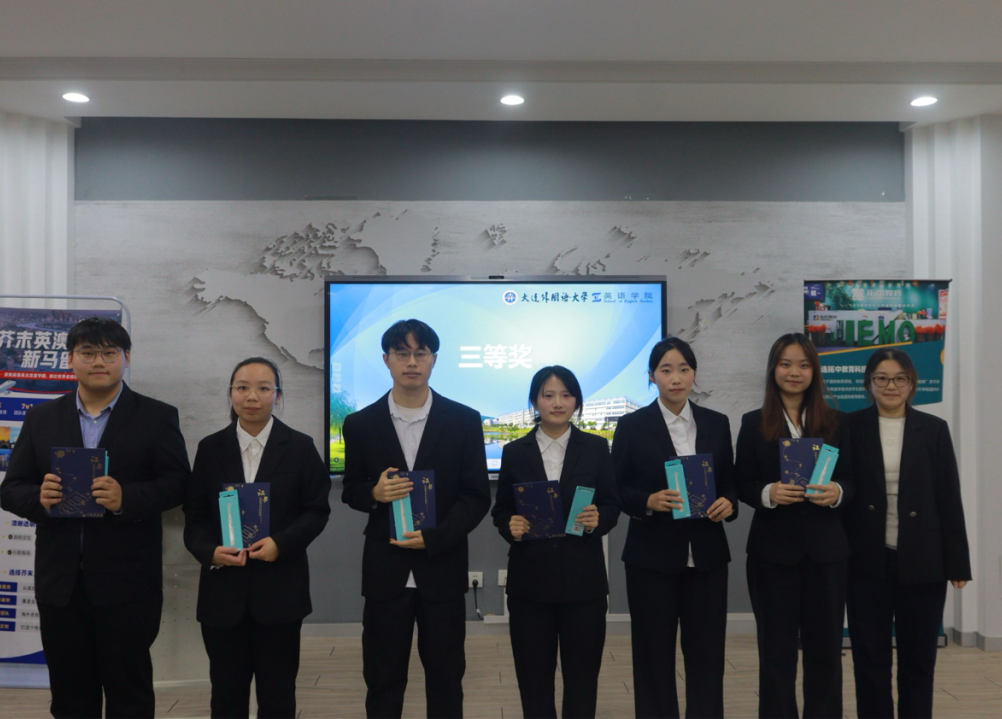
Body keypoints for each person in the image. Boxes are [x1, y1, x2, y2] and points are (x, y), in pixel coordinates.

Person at [0, 316, 191, 719]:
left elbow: (178, 484)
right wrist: (39, 498)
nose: (98, 361)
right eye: (87, 352)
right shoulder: (41, 418)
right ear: (70, 359)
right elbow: (11, 487)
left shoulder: (157, 416)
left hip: (128, 584)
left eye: (109, 352)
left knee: (130, 695)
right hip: (61, 585)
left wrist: (126, 498)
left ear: (126, 358)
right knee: (70, 696)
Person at [341, 319, 491, 719]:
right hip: (385, 572)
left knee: (446, 678)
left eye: (420, 353)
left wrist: (437, 537)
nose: (412, 362)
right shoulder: (360, 424)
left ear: (433, 360)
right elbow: (351, 489)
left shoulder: (463, 420)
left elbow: (476, 496)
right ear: (386, 360)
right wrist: (373, 494)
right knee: (382, 678)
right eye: (402, 353)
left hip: (441, 568)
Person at [182, 357, 331, 718]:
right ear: (231, 393)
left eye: (264, 388)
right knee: (226, 696)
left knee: (278, 697)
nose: (252, 396)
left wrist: (281, 543)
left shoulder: (300, 447)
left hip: (280, 591)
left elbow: (316, 511)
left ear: (277, 396)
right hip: (223, 594)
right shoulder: (210, 448)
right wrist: (210, 551)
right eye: (242, 387)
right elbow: (195, 515)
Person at [612, 337, 738, 719]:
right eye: (666, 370)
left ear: (694, 373)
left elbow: (729, 482)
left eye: (684, 369)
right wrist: (647, 501)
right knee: (653, 655)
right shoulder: (632, 426)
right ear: (652, 376)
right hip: (651, 558)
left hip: (707, 558)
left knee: (707, 656)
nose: (676, 378)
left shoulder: (716, 423)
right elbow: (615, 488)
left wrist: (728, 503)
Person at [844, 348, 971, 719]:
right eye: (881, 378)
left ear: (912, 383)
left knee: (919, 660)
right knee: (869, 658)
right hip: (865, 560)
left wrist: (957, 562)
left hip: (923, 559)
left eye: (900, 378)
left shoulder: (933, 429)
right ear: (869, 384)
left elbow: (949, 497)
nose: (891, 386)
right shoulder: (849, 426)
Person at [734, 332, 853, 719]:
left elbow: (854, 479)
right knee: (775, 654)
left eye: (803, 365)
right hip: (772, 554)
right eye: (786, 364)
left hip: (827, 554)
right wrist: (768, 492)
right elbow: (741, 482)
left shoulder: (836, 422)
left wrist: (836, 491)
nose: (794, 372)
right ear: (773, 370)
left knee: (826, 652)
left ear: (814, 371)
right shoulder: (754, 422)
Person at [491, 366, 619, 719]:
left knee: (582, 681)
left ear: (576, 401)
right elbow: (501, 509)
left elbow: (612, 504)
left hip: (584, 584)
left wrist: (598, 519)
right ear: (535, 401)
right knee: (533, 682)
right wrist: (510, 524)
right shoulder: (514, 451)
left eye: (566, 394)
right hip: (530, 585)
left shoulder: (596, 447)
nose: (557, 402)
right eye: (548, 395)